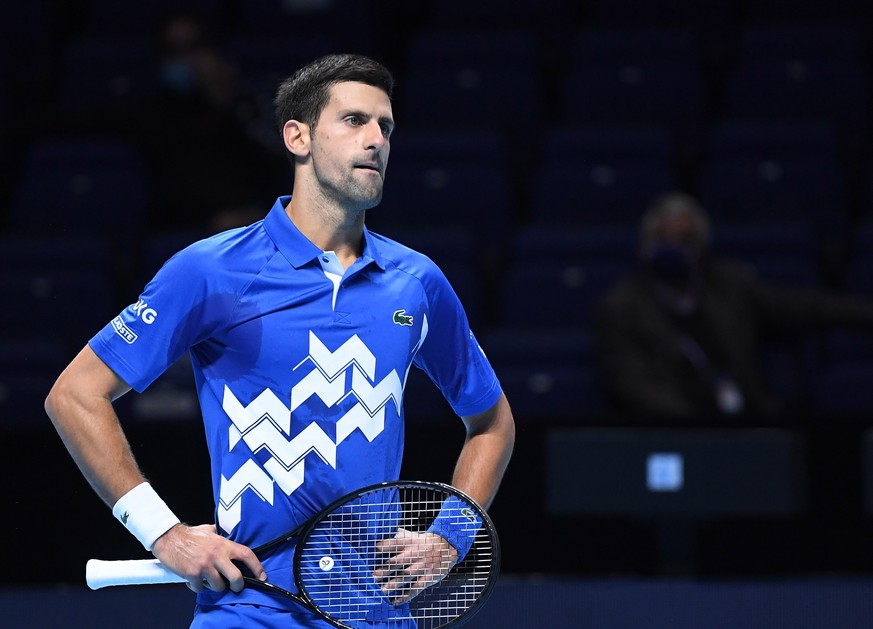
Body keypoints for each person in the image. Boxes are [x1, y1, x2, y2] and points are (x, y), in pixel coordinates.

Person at [44, 54, 515, 628]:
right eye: (353, 121)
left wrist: (449, 537)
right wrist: (162, 532)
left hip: (377, 611)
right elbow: (74, 395)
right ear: (298, 136)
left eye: (385, 127)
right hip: (249, 611)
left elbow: (491, 422)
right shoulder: (211, 271)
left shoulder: (417, 283)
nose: (376, 140)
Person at [593, 191, 873, 419]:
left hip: (746, 417)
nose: (674, 249)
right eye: (666, 240)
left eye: (685, 240)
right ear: (647, 245)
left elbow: (808, 307)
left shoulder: (730, 287)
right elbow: (632, 383)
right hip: (672, 426)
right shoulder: (622, 305)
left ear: (701, 244)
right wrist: (692, 424)